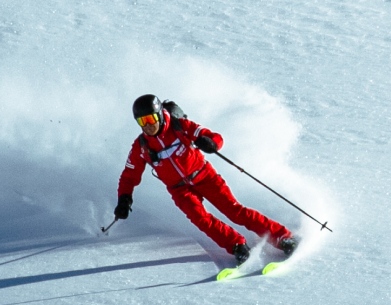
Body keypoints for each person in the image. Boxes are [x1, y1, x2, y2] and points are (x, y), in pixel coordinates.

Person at [113, 94, 296, 264]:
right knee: (201, 219)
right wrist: (124, 198)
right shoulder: (142, 146)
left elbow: (214, 137)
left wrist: (210, 143)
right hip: (179, 190)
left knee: (234, 211)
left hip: (204, 176)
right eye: (142, 121)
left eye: (151, 119)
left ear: (160, 115)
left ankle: (282, 237)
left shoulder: (180, 126)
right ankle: (236, 245)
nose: (148, 125)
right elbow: (129, 175)